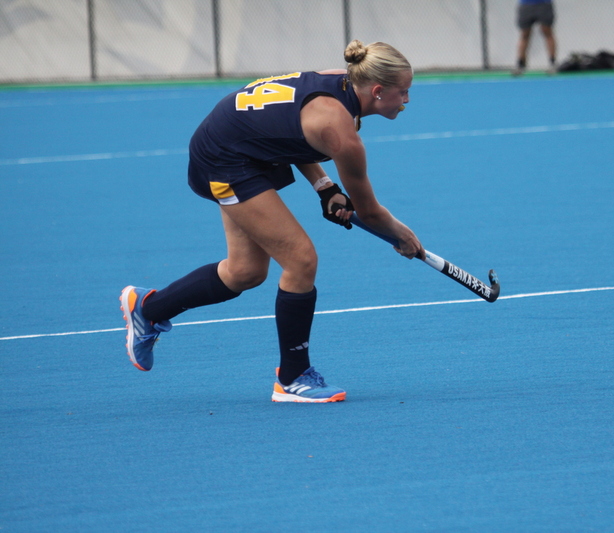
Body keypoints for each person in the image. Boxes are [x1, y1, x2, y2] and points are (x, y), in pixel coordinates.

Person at [120, 40, 424, 403]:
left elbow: (288, 132)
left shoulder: (342, 87)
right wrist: (401, 236)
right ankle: (293, 378)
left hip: (250, 143)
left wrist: (325, 188)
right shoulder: (341, 130)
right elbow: (370, 211)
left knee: (245, 271)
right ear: (377, 91)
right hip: (225, 156)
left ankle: (148, 309)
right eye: (403, 92)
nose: (406, 100)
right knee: (301, 258)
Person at [512, 0, 558, 76]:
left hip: (544, 4)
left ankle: (553, 64)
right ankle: (520, 65)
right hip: (526, 5)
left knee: (547, 32)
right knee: (524, 34)